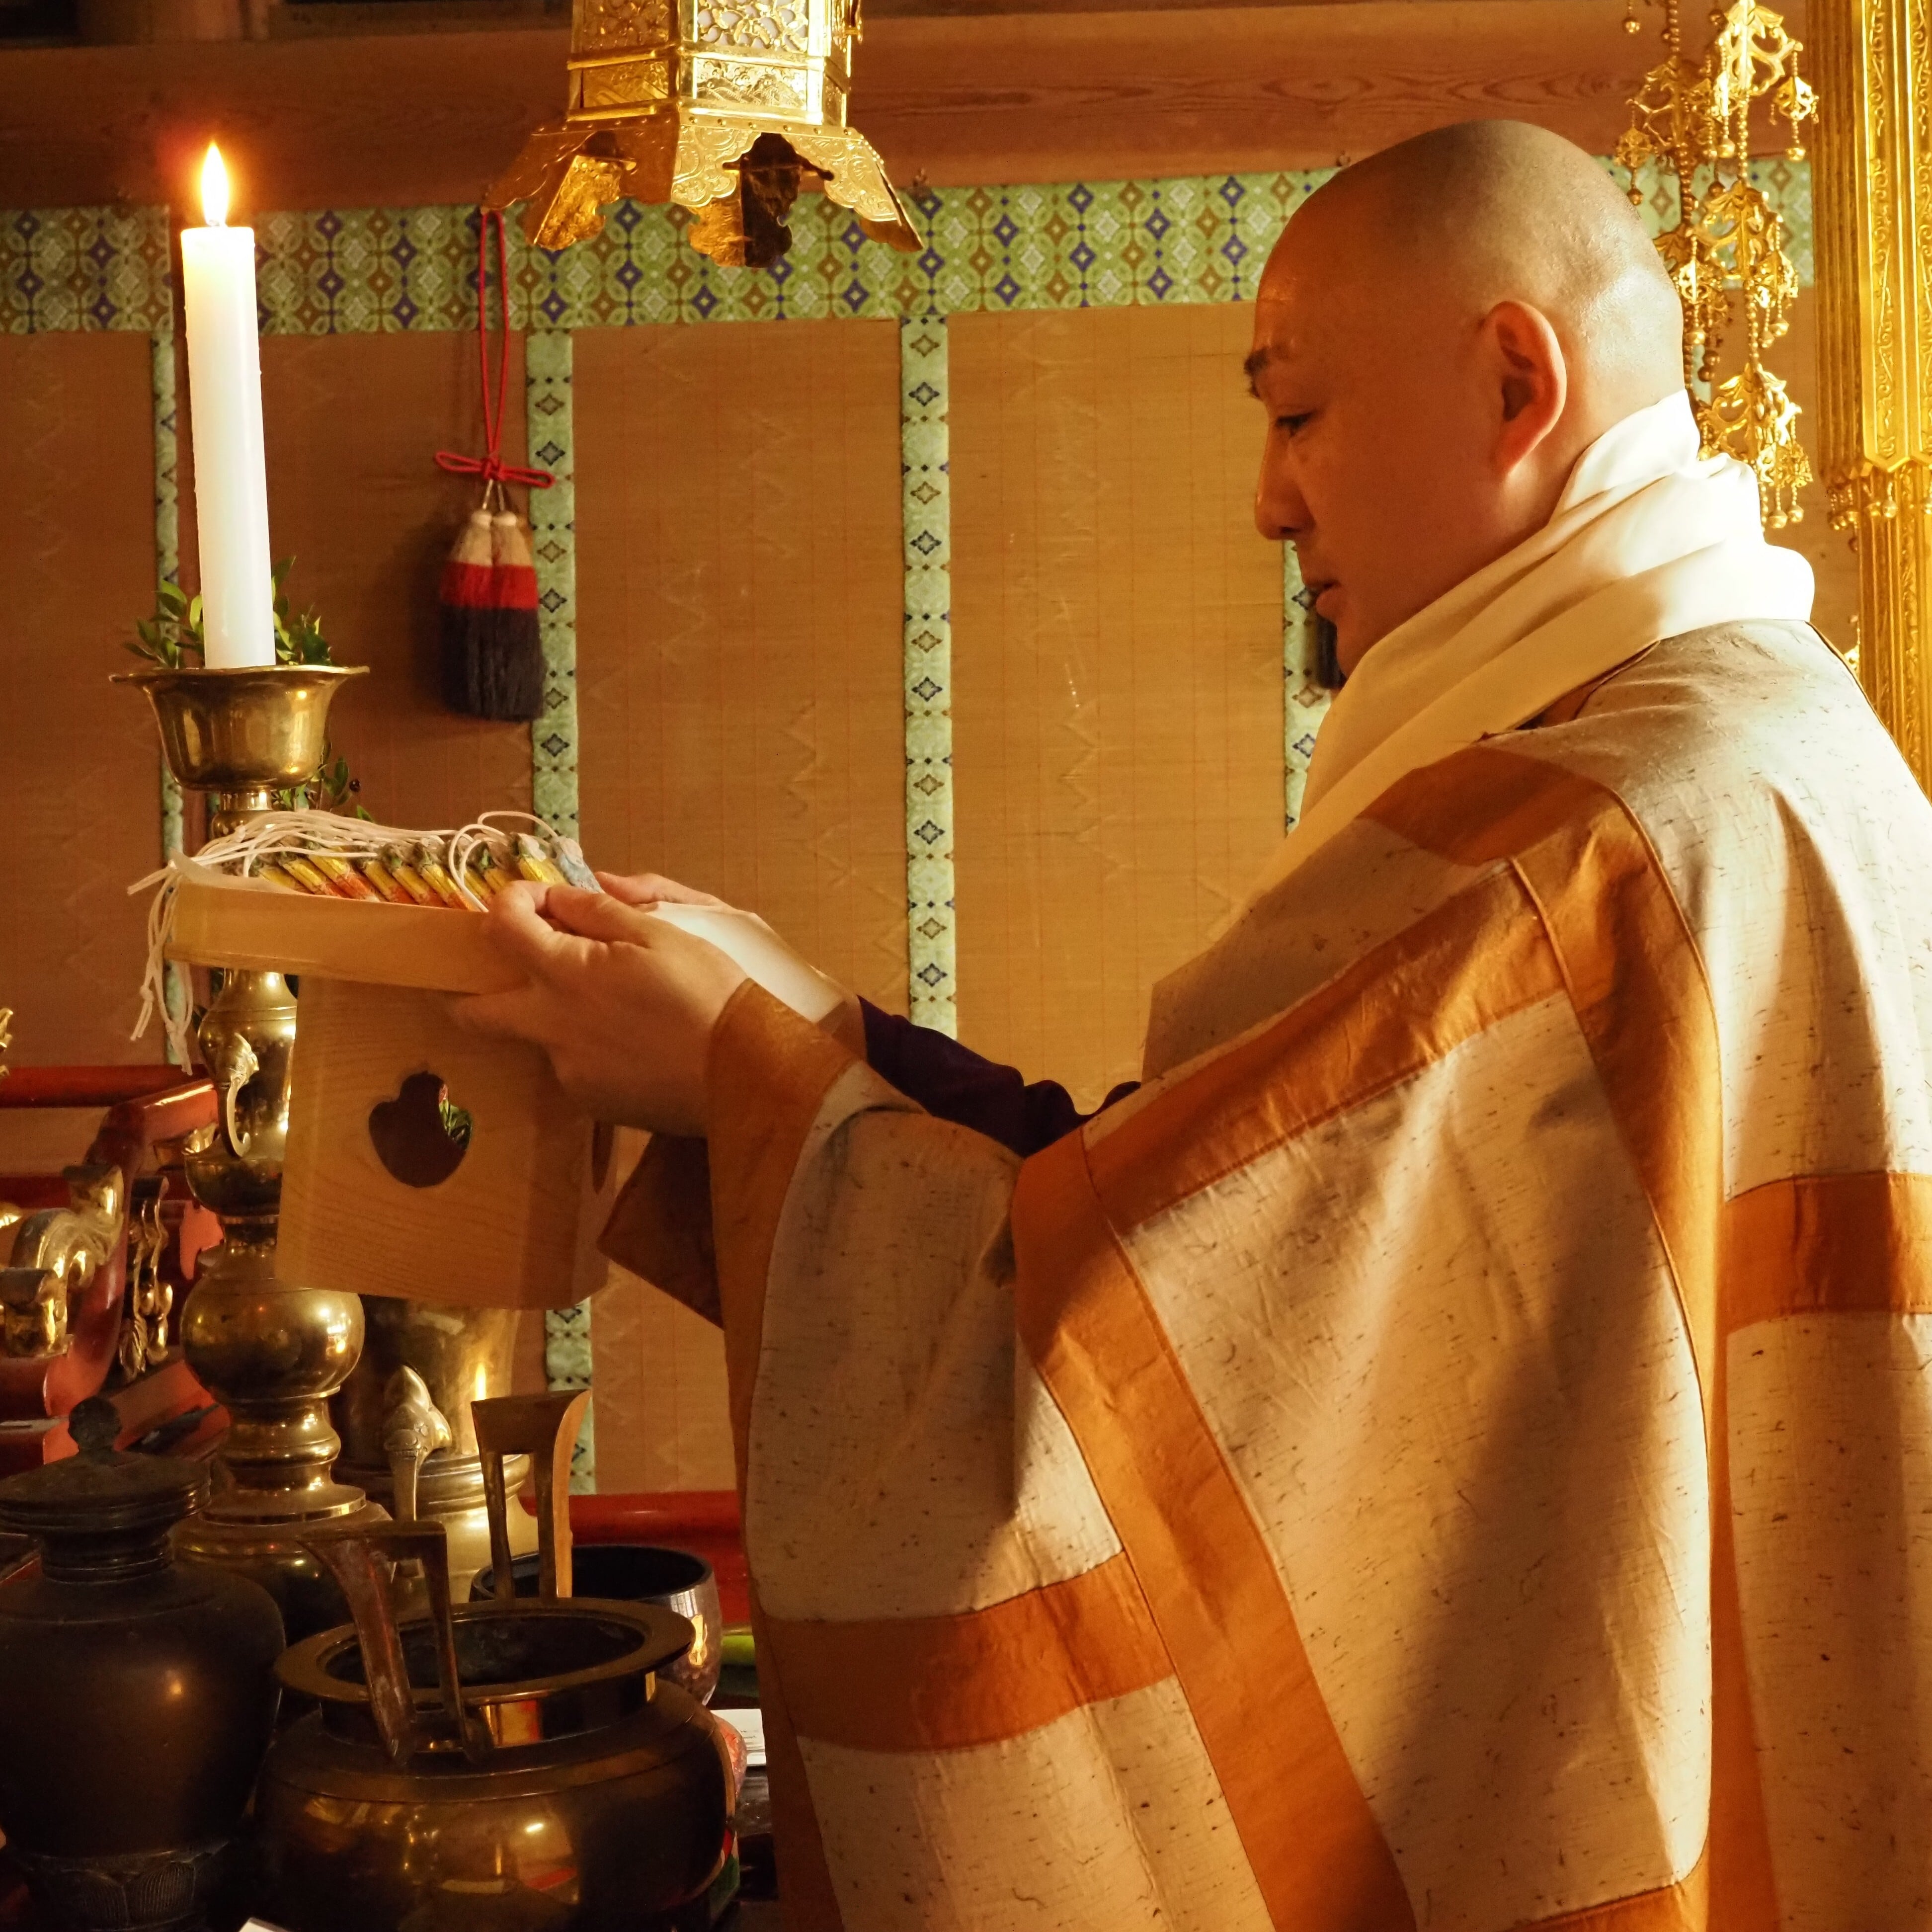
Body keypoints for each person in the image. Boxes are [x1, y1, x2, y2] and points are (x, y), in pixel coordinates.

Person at [457, 120, 1932, 1931]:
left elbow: (1116, 1398)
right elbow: (1196, 1220)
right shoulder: (1766, 747)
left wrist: (744, 1077)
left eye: (1297, 413)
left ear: (1516, 381)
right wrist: (803, 1025)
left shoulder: (1589, 842)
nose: (1268, 497)